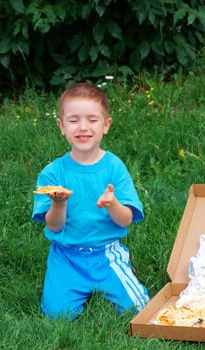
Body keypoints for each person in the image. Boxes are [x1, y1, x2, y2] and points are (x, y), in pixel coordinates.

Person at [31, 82, 149, 319]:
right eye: (73, 120)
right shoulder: (52, 173)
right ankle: (70, 290)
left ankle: (120, 276)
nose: (83, 127)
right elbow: (54, 226)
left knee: (140, 311)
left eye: (92, 120)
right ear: (61, 126)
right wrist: (59, 203)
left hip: (105, 255)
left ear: (106, 125)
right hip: (66, 257)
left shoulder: (114, 167)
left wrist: (112, 204)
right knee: (57, 317)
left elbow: (125, 220)